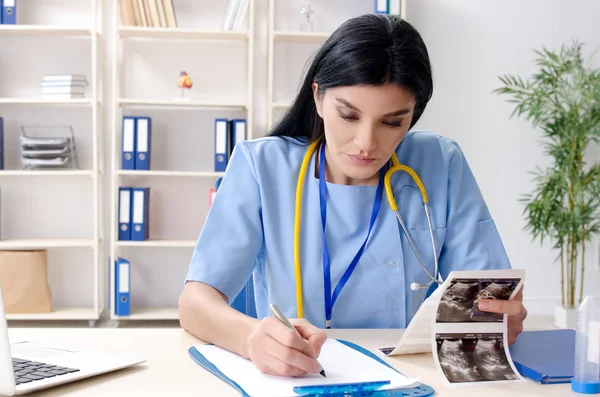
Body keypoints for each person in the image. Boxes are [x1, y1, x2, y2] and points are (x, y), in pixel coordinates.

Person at [178, 14, 527, 378]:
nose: (366, 143)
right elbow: (194, 304)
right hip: (300, 376)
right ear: (318, 97)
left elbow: (487, 296)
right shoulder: (262, 166)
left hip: (409, 376)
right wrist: (251, 337)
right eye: (348, 115)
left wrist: (500, 320)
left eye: (392, 122)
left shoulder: (441, 162)